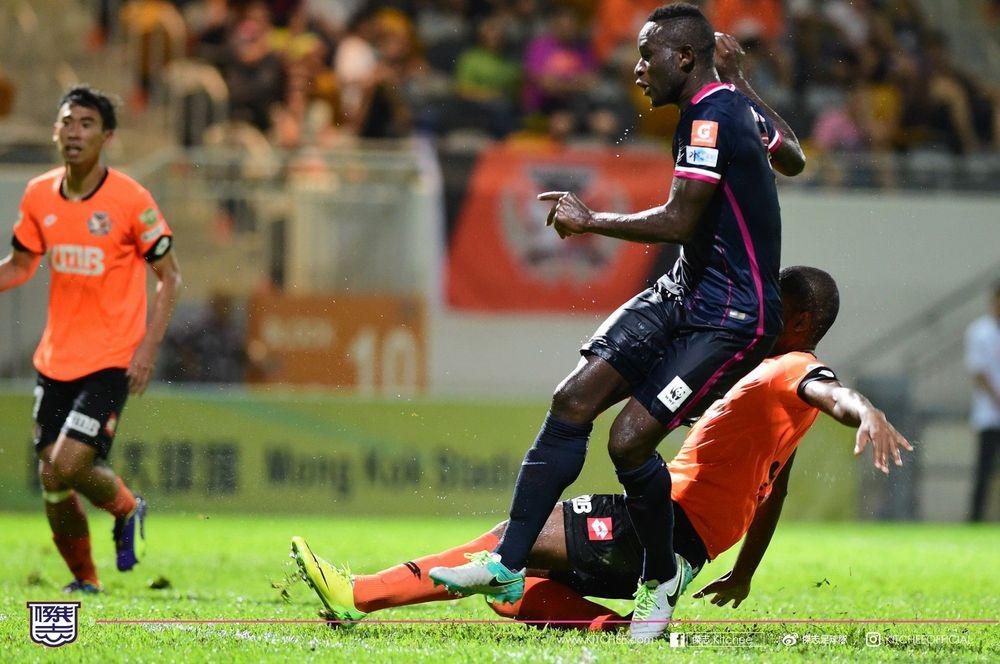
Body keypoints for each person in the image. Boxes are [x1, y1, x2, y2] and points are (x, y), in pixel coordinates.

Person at [429, 3, 806, 642]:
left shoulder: (712, 116)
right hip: (685, 290)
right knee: (572, 400)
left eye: (646, 55)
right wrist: (740, 79)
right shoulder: (725, 105)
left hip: (732, 316)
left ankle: (660, 579)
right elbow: (791, 155)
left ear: (683, 57)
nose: (636, 69)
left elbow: (681, 219)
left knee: (629, 441)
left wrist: (591, 221)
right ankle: (507, 565)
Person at [290, 267, 911, 632]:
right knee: (515, 593)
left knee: (510, 543)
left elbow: (831, 390)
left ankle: (358, 595)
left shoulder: (790, 368)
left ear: (799, 321)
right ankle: (615, 633)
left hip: (665, 523)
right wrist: (743, 573)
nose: (760, 310)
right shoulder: (780, 405)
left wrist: (866, 411)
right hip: (685, 542)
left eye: (774, 304)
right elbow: (776, 493)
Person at [0, 86, 182, 593]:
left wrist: (147, 348)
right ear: (55, 131)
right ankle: (86, 578)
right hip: (56, 357)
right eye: (67, 122)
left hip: (111, 358)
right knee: (53, 478)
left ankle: (125, 507)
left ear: (107, 137)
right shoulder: (39, 194)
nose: (74, 132)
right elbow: (20, 265)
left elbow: (170, 276)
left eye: (86, 124)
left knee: (68, 463)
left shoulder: (131, 200)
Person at [964, 281, 1000, 522]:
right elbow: (978, 371)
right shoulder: (980, 331)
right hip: (989, 415)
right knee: (984, 470)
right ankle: (975, 518)